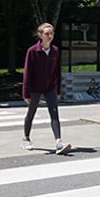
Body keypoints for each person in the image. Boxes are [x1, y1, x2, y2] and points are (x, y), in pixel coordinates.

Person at [22, 22, 72, 154]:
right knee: (31, 112)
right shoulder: (32, 51)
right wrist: (25, 93)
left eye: (52, 33)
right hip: (35, 88)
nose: (50, 36)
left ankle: (58, 142)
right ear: (40, 35)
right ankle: (26, 138)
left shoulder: (55, 50)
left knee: (54, 114)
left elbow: (57, 72)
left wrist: (59, 90)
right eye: (47, 33)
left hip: (50, 87)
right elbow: (27, 73)